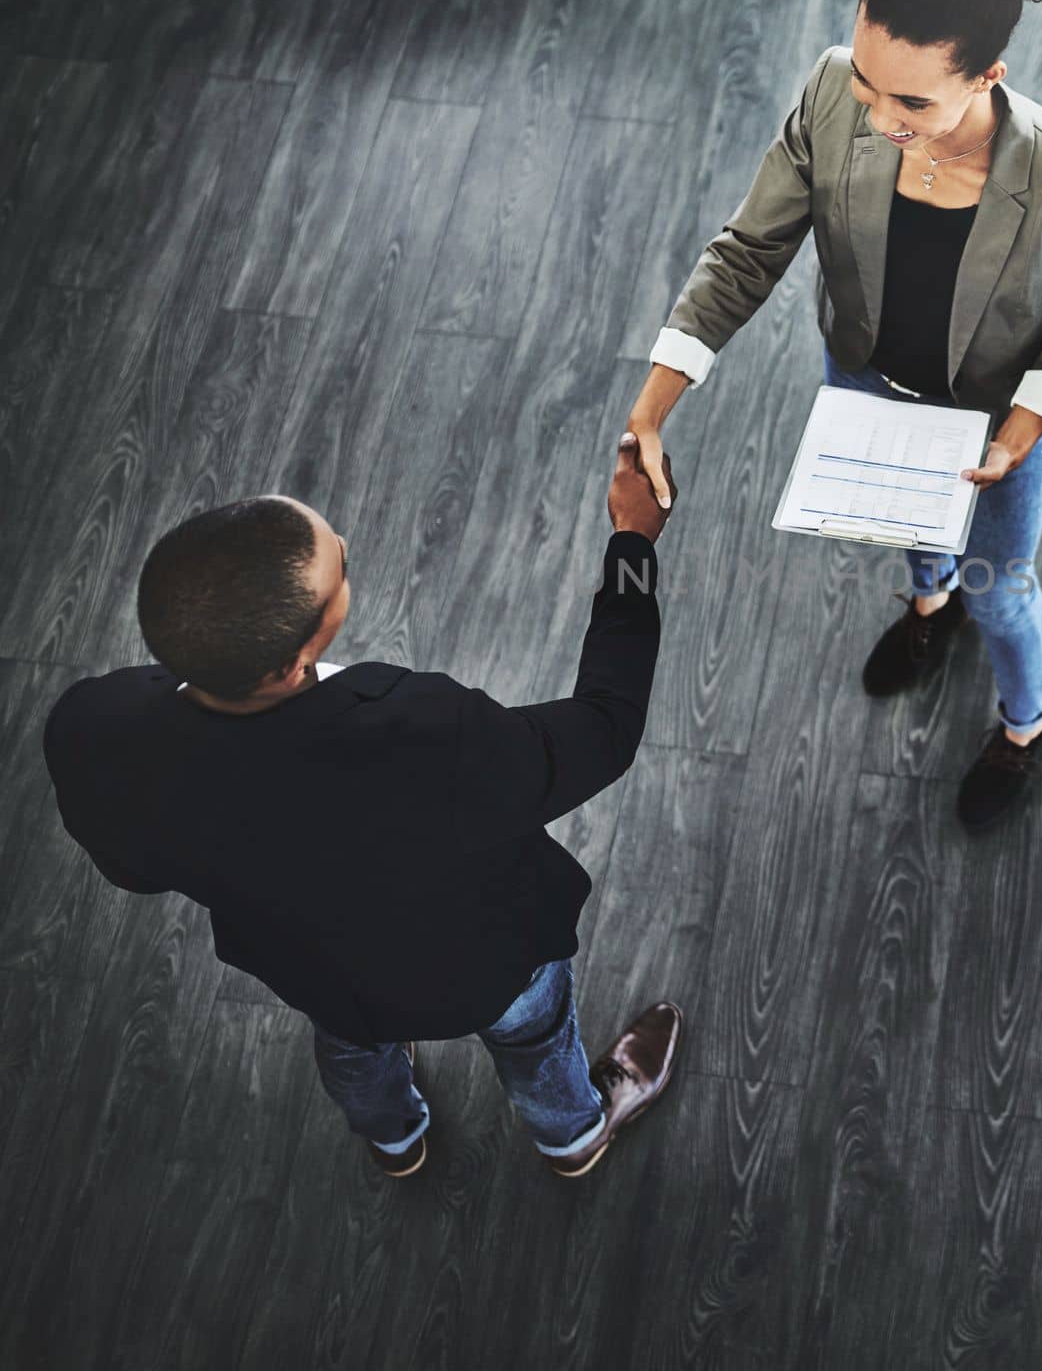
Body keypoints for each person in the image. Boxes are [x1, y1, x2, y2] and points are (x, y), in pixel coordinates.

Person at [624, 0, 1042, 833]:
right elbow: (744, 254)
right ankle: (923, 605)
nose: (875, 114)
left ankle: (1025, 721)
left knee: (1000, 586)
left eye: (910, 101)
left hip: (996, 429)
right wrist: (652, 406)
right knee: (908, 531)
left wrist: (1022, 435)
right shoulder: (829, 91)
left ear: (988, 75)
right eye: (865, 81)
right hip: (863, 379)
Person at [40, 437, 683, 1178]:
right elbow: (604, 729)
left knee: (353, 1042)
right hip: (485, 960)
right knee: (533, 1035)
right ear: (289, 664)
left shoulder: (93, 728)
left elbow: (131, 869)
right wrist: (632, 544)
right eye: (336, 568)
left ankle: (395, 1140)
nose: (344, 544)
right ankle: (572, 1136)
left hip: (314, 968)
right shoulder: (426, 734)